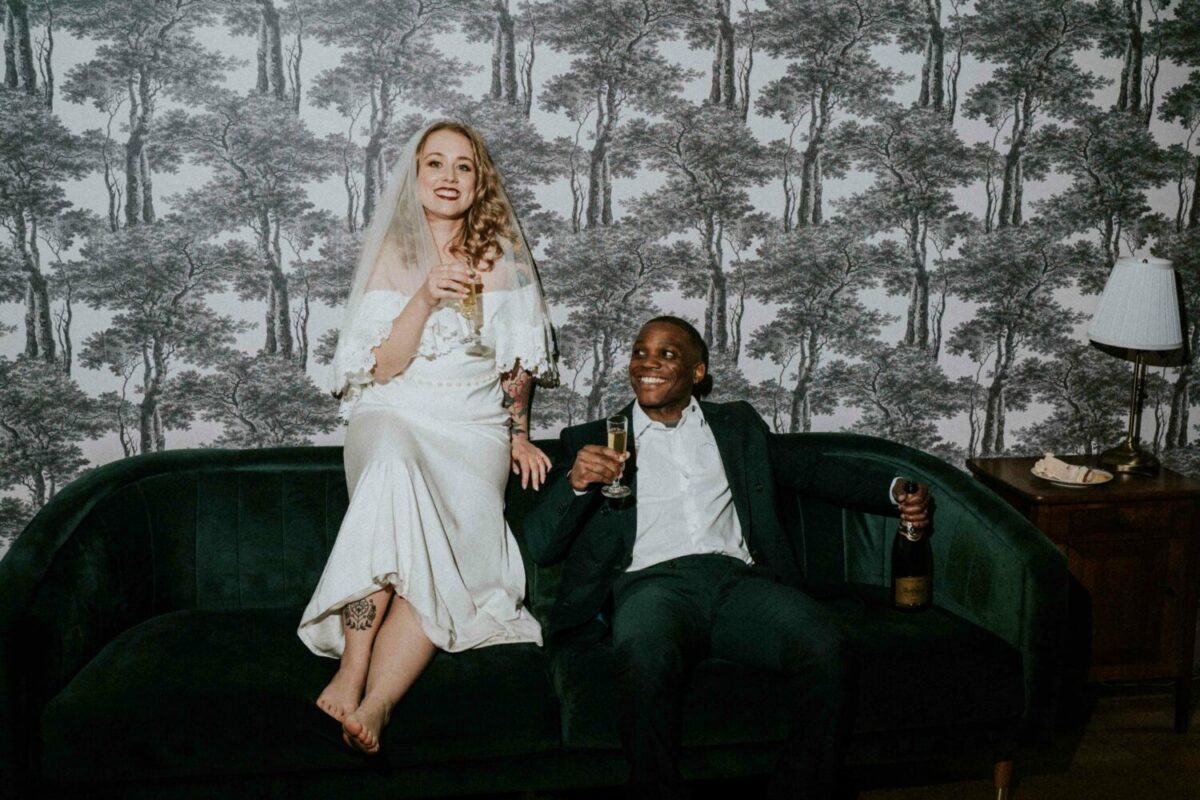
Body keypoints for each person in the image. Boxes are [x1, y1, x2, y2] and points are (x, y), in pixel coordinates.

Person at [524, 317, 931, 800]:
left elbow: (809, 470)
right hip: (651, 587)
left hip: (739, 584)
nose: (647, 363)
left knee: (825, 645)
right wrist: (575, 483)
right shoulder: (592, 438)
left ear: (698, 372)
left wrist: (893, 489)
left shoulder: (736, 425)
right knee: (644, 654)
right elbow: (542, 544)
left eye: (667, 354)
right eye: (639, 352)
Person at [298, 120, 558, 755]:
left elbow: (517, 366)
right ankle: (354, 666)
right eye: (435, 163)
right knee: (391, 469)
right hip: (394, 412)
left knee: (442, 557)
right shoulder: (389, 253)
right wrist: (423, 296)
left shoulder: (500, 259)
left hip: (472, 430)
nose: (449, 176)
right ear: (414, 178)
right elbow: (383, 367)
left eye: (463, 166)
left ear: (478, 181)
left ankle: (379, 704)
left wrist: (520, 435)